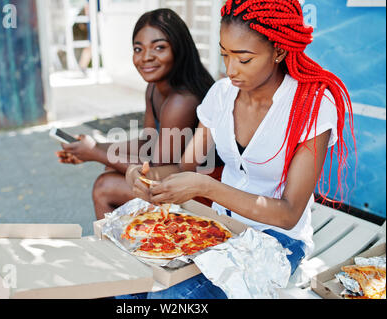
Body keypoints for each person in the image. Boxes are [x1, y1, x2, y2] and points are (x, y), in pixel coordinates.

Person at [125, 0, 356, 299]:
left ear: (279, 51)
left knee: (171, 299)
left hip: (279, 241)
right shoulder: (221, 94)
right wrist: (142, 174)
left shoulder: (311, 106)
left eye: (243, 59)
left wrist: (209, 188)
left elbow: (288, 213)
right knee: (128, 288)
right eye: (225, 54)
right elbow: (185, 168)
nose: (230, 70)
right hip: (221, 227)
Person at [56, 8, 215, 220]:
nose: (146, 57)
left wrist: (95, 153)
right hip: (173, 178)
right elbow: (146, 143)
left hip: (200, 193)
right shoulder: (154, 89)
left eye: (159, 47)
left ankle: (119, 251)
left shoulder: (182, 100)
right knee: (109, 171)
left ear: (179, 49)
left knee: (105, 186)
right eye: (138, 49)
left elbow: (157, 171)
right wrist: (90, 147)